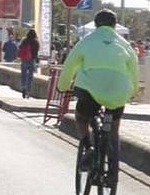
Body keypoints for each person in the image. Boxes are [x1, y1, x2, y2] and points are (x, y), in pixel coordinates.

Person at [57, 10, 138, 171]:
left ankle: (89, 147)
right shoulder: (125, 45)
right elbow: (134, 72)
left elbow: (69, 67)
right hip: (118, 90)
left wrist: (63, 86)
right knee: (114, 127)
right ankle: (113, 165)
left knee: (81, 117)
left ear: (95, 25)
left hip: (90, 89)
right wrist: (132, 92)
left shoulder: (86, 42)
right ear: (115, 26)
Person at [18, 29, 40, 98]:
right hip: (32, 60)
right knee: (30, 76)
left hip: (24, 59)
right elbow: (36, 52)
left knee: (23, 74)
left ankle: (23, 87)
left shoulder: (25, 40)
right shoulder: (36, 42)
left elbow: (20, 47)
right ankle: (28, 91)